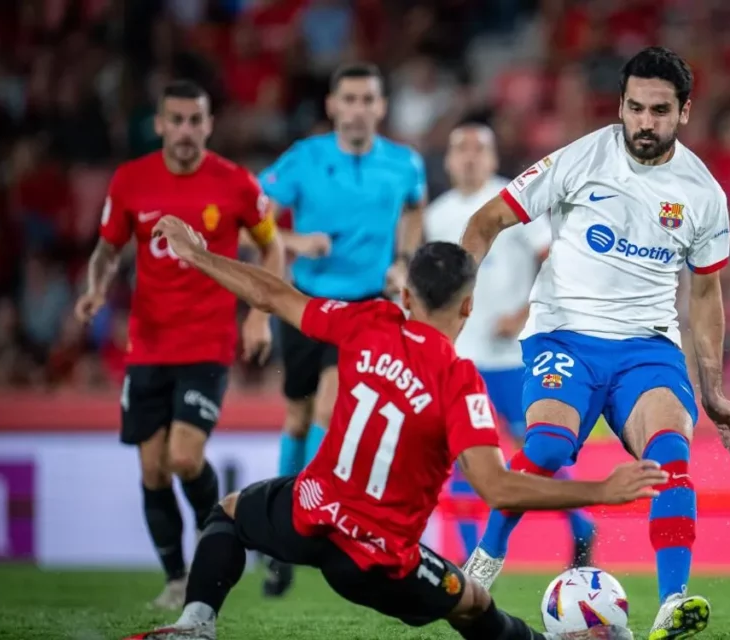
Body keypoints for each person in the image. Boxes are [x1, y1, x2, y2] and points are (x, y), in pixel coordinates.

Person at [125, 217, 666, 640]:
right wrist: (601, 490)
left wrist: (196, 255)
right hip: (379, 561)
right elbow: (497, 487)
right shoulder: (459, 382)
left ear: (406, 298)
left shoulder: (367, 322)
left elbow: (272, 295)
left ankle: (196, 621)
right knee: (473, 602)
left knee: (230, 513)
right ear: (469, 306)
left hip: (311, 515)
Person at [459, 47, 730, 639]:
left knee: (670, 460)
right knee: (546, 448)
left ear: (684, 112)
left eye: (659, 111)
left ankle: (672, 603)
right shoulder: (580, 158)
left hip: (647, 347)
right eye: (635, 108)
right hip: (564, 337)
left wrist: (713, 388)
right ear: (620, 105)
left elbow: (705, 293)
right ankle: (485, 560)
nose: (645, 122)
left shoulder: (703, 193)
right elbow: (486, 221)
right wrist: (456, 298)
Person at [72, 80, 301, 610]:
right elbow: (107, 250)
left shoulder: (236, 183)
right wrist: (95, 289)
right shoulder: (131, 180)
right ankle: (176, 578)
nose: (185, 130)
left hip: (207, 345)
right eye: (175, 120)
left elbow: (272, 248)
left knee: (183, 457)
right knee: (153, 468)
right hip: (148, 347)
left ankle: (218, 534)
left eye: (195, 120)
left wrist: (259, 316)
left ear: (209, 124)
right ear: (159, 125)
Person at [257, 62, 426, 596]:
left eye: (367, 99)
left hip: (368, 307)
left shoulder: (404, 163)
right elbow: (251, 217)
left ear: (381, 107)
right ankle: (280, 536)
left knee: (330, 409)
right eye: (348, 99)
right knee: (297, 416)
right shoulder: (304, 159)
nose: (357, 109)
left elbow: (415, 211)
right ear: (332, 105)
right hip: (306, 304)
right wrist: (293, 242)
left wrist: (404, 260)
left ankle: (305, 526)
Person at [422, 123, 596, 565]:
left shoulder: (514, 201)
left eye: (479, 149)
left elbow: (555, 260)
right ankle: (467, 557)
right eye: (460, 148)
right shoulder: (437, 215)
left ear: (493, 157)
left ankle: (580, 525)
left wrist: (522, 314)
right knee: (463, 453)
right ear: (448, 160)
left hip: (515, 355)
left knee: (539, 447)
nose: (469, 157)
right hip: (462, 356)